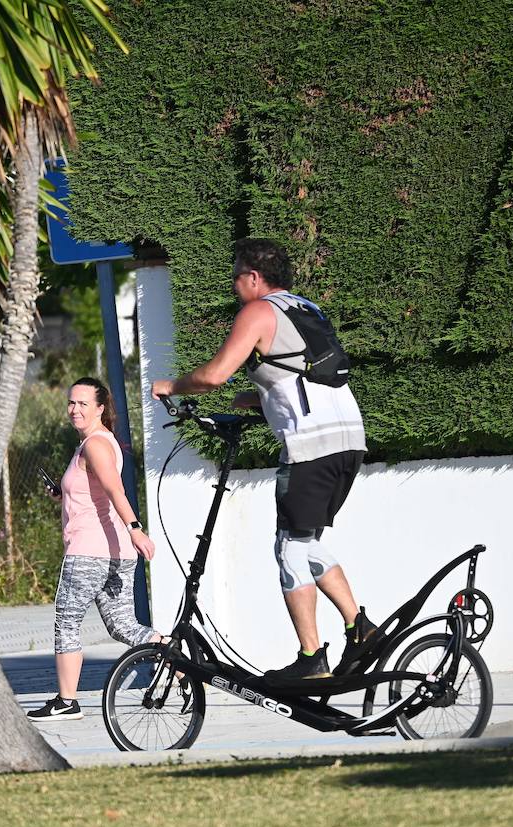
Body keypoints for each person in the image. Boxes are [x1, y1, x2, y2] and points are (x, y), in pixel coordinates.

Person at [152, 238, 372, 680]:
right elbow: (304, 375)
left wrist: (171, 386)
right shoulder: (306, 309)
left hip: (311, 447)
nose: (235, 288)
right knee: (304, 542)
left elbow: (213, 375)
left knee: (288, 548)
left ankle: (312, 659)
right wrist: (258, 398)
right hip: (348, 441)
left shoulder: (257, 311)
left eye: (236, 278)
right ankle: (361, 628)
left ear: (254, 278)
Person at [28, 377, 159, 720]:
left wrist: (136, 528)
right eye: (72, 403)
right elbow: (97, 493)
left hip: (89, 553)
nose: (75, 409)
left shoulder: (95, 445)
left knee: (67, 622)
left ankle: (66, 701)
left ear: (100, 408)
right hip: (114, 554)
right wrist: (63, 494)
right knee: (123, 627)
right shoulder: (98, 443)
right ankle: (176, 660)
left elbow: (116, 490)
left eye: (83, 403)